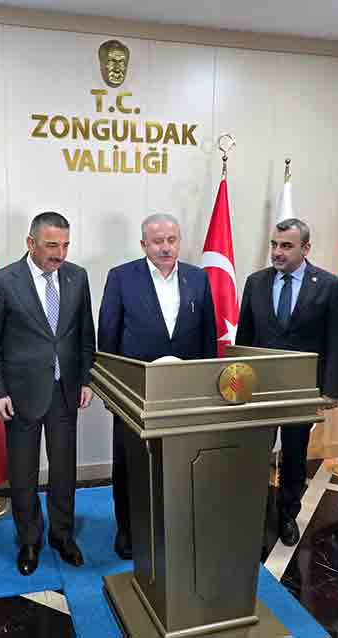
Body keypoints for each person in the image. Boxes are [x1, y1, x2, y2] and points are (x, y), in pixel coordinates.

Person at [0, 211, 95, 575]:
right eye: (51, 245)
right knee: (23, 471)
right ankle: (29, 540)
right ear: (31, 243)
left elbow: (85, 334)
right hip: (20, 395)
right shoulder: (3, 282)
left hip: (65, 391)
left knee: (64, 470)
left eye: (65, 245)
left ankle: (62, 535)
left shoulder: (77, 277)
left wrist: (87, 379)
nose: (59, 254)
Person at [97, 213, 216, 559]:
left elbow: (207, 337)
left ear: (179, 241)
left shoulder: (198, 278)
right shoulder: (121, 277)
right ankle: (127, 530)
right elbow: (108, 335)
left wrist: (207, 387)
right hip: (135, 392)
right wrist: (110, 389)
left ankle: (174, 528)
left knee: (180, 462)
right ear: (143, 244)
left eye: (171, 240)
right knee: (130, 463)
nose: (166, 247)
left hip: (185, 393)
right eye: (158, 241)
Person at [236, 218, 338, 546]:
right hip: (260, 389)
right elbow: (244, 339)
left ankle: (287, 515)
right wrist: (238, 385)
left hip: (302, 390)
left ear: (305, 248)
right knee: (255, 452)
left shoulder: (328, 285)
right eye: (274, 245)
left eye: (286, 246)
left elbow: (336, 341)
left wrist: (331, 389)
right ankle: (251, 513)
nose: (277, 252)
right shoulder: (256, 282)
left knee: (295, 455)